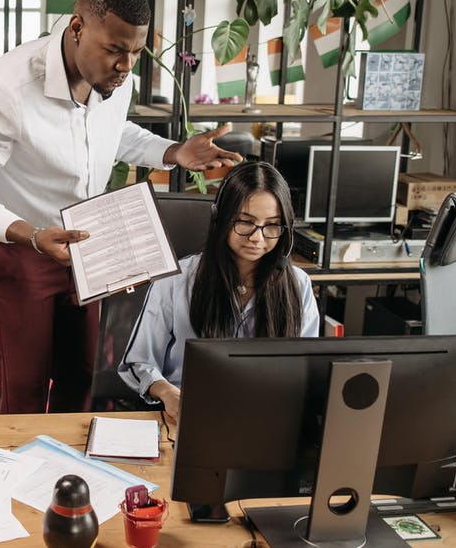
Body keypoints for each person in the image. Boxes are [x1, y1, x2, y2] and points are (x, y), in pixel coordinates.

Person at [0, 0, 243, 414]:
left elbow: (112, 131)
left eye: (137, 53)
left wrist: (174, 151)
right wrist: (32, 235)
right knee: (24, 387)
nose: (126, 66)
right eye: (116, 50)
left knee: (80, 377)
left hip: (87, 242)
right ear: (78, 27)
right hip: (20, 246)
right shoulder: (2, 89)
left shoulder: (113, 77)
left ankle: (69, 477)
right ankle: (17, 480)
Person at [118, 161, 320, 422]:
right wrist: (167, 393)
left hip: (264, 420)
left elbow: (306, 369)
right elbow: (139, 362)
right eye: (245, 222)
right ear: (221, 218)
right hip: (189, 417)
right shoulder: (176, 280)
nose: (257, 238)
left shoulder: (298, 285)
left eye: (272, 225)